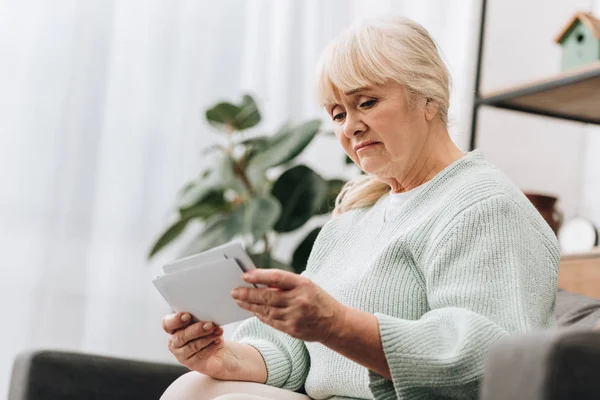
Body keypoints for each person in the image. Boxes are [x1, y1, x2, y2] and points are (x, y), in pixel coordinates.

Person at [160, 16, 559, 400]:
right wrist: (224, 358)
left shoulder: (485, 206)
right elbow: (297, 353)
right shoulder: (352, 220)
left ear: (429, 99)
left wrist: (338, 324)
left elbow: (489, 361)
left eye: (366, 102)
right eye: (338, 113)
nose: (350, 125)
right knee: (190, 388)